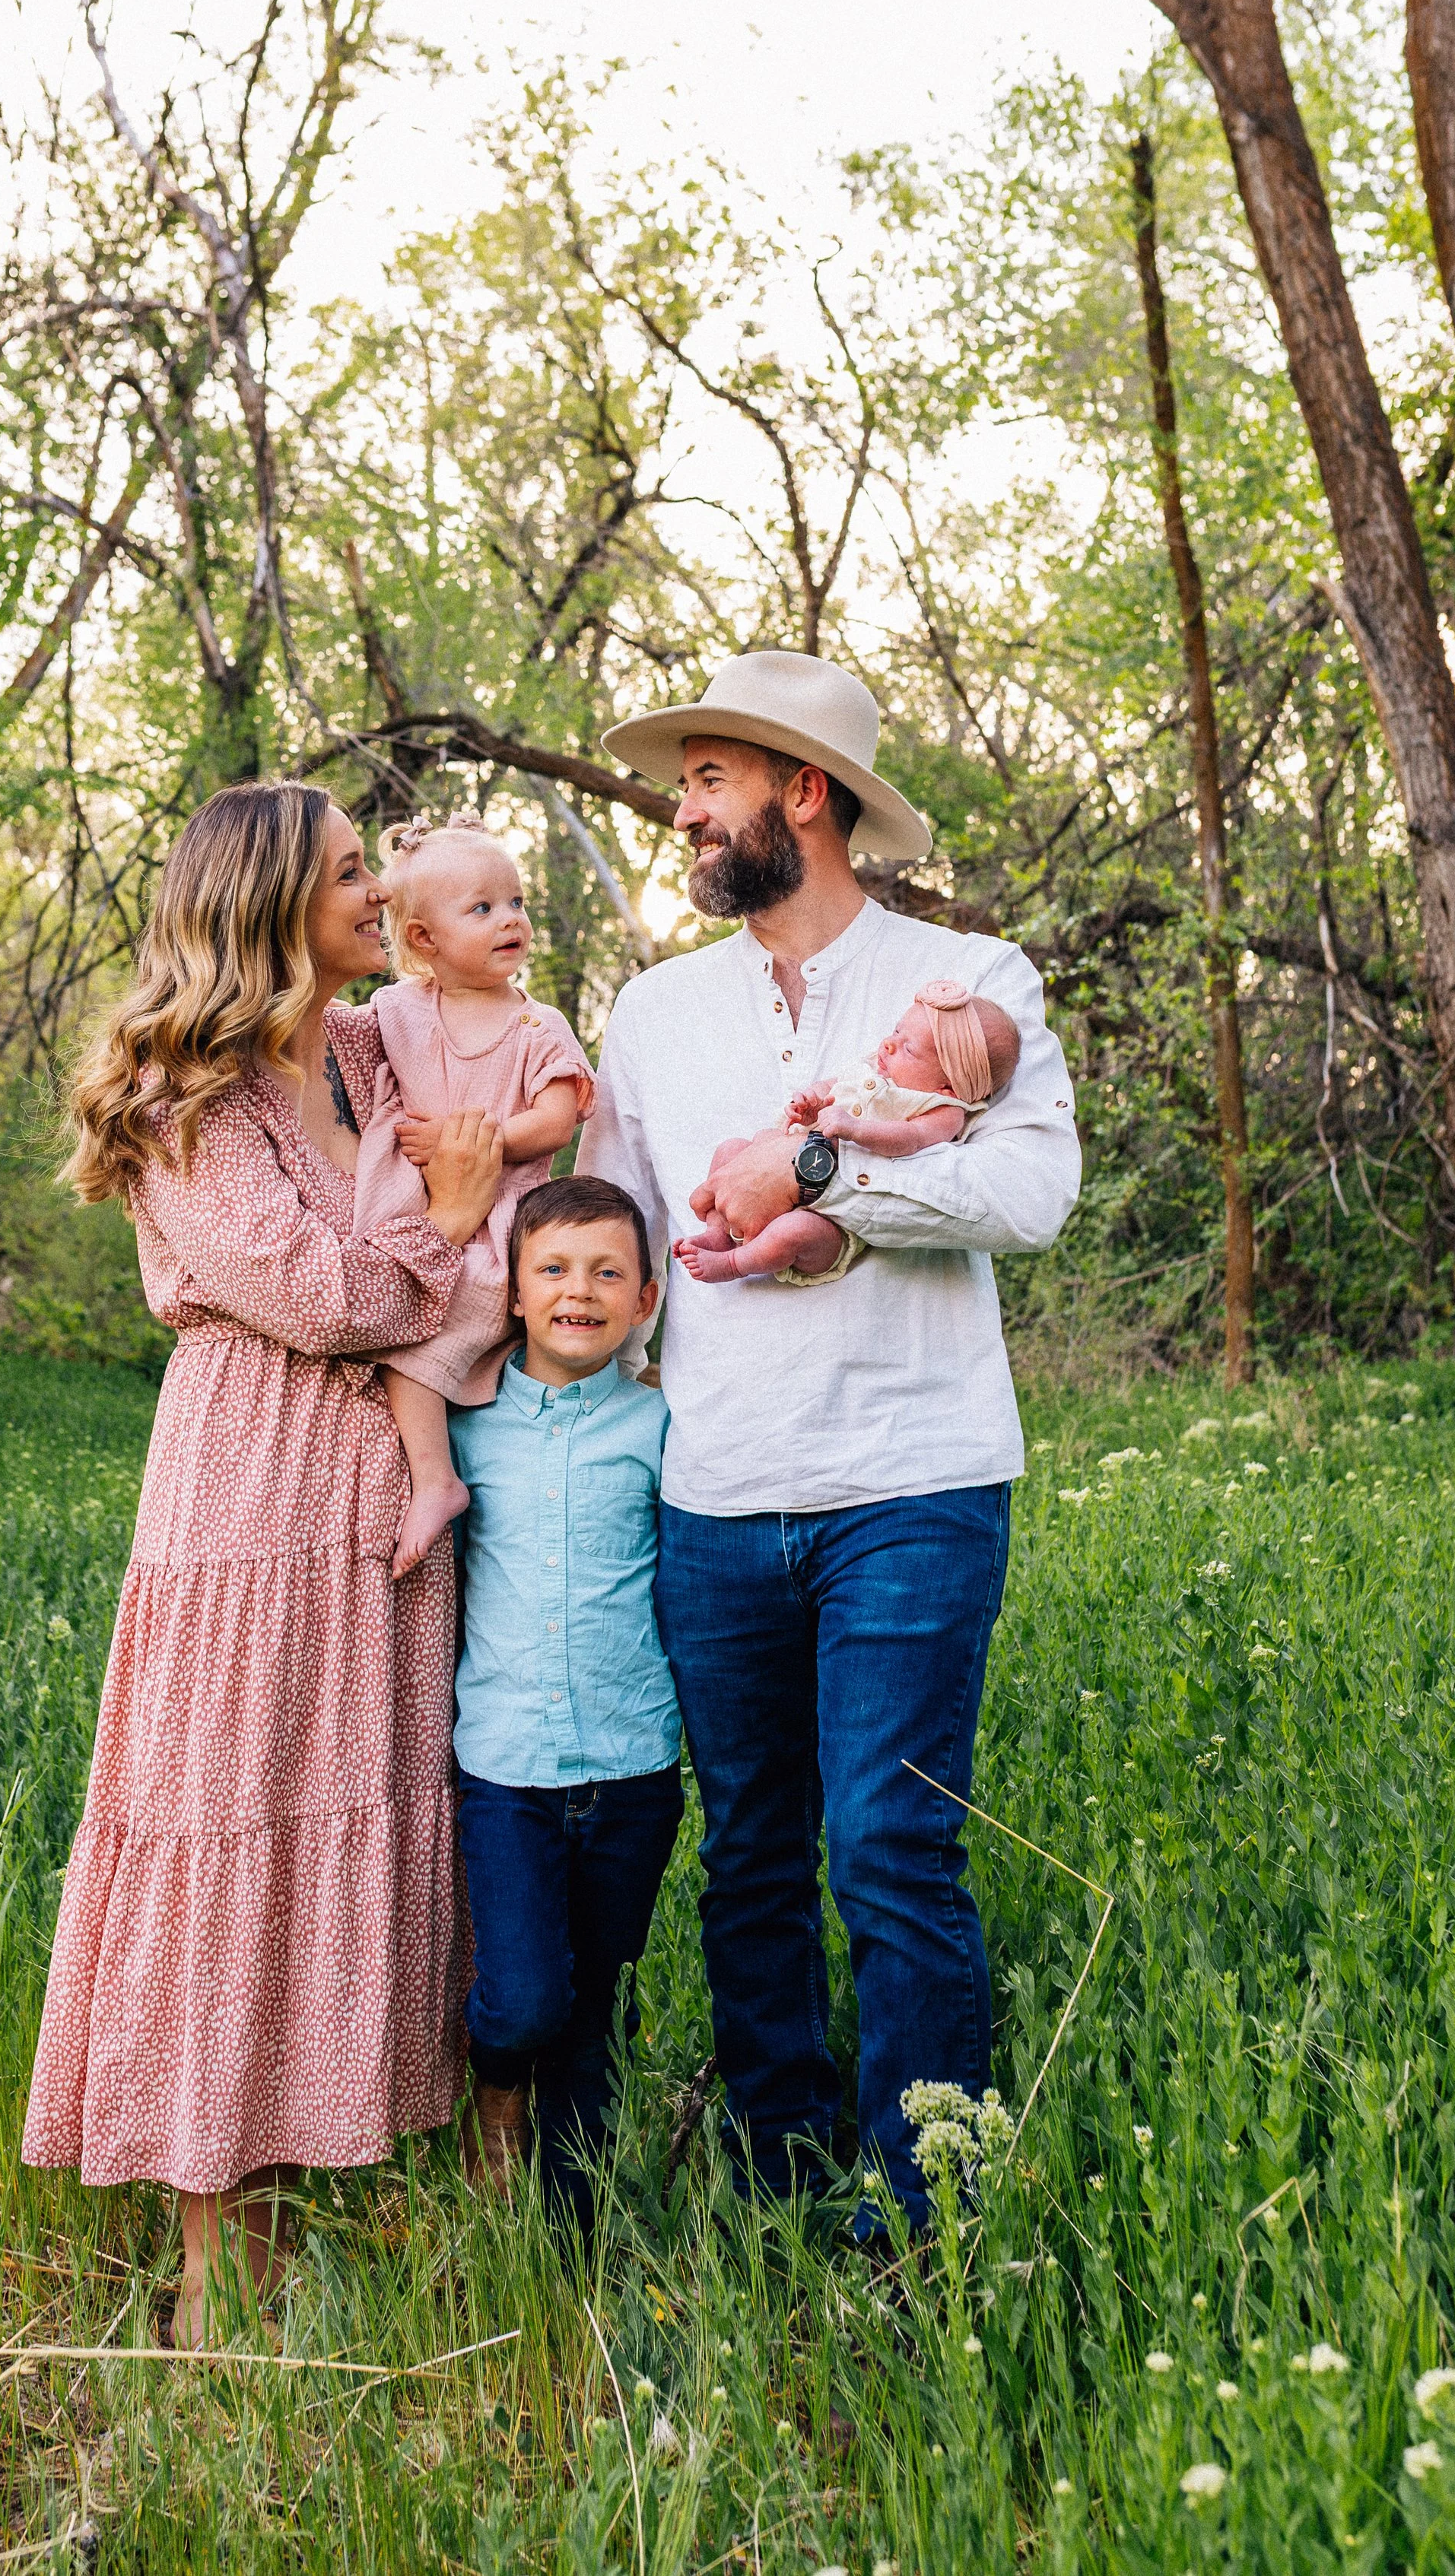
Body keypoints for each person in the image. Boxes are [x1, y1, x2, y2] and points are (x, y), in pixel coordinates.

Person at [578, 649, 1080, 2241]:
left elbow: (1027, 1197)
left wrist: (822, 1189)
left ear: (804, 791)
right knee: (749, 1857)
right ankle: (776, 2155)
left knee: (889, 1843)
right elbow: (611, 1242)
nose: (683, 812)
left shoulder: (971, 985)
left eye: (707, 780)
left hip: (913, 1480)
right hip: (715, 1490)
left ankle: (927, 2208)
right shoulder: (652, 1013)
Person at [21, 781, 505, 2347]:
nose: (381, 895)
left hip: (389, 1491)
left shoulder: (369, 1055)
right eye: (355, 873)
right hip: (248, 1484)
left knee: (360, 1810)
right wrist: (445, 1230)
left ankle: (343, 2186)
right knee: (233, 1816)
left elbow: (482, 1155)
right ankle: (217, 2270)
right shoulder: (186, 1090)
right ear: (268, 900)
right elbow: (310, 1290)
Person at [446, 1175, 680, 2229]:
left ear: (645, 1297)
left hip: (634, 1767)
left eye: (606, 1272)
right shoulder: (465, 1425)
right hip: (504, 1766)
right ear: (514, 1291)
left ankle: (570, 2233)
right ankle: (495, 2090)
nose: (578, 1290)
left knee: (598, 2003)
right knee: (527, 1994)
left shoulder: (666, 1424)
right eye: (553, 1268)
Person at [352, 812, 592, 1578]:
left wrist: (472, 1142)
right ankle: (443, 1477)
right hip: (417, 1217)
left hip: (498, 1230)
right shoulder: (397, 1011)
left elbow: (556, 1116)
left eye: (516, 903)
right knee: (390, 1323)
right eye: (482, 909)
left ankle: (438, 1484)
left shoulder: (534, 1023)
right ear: (422, 940)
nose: (511, 920)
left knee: (419, 1350)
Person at [677, 983, 1023, 1286]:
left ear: (948, 1086)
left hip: (828, 1220)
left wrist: (856, 1130)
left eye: (909, 1048)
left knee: (792, 1233)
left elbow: (910, 1138)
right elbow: (832, 1087)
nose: (889, 1045)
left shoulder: (941, 1109)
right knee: (731, 1149)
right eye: (896, 1032)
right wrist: (811, 1103)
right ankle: (717, 1234)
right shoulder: (872, 1068)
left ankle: (735, 1263)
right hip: (781, 1165)